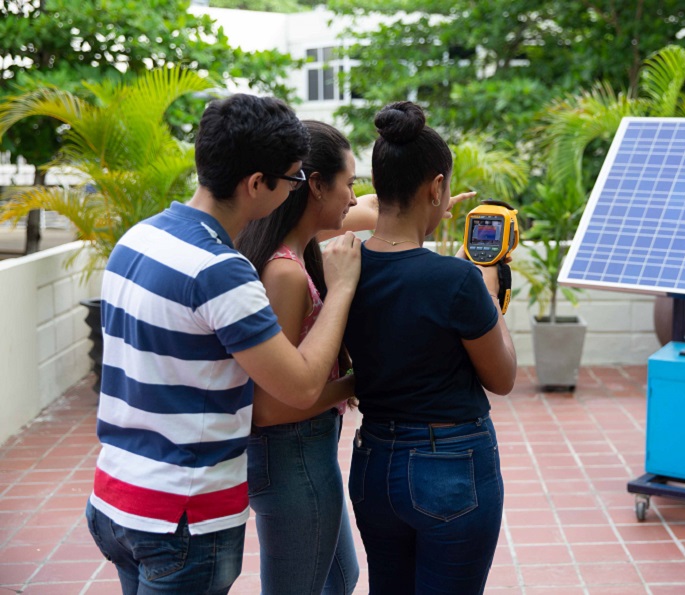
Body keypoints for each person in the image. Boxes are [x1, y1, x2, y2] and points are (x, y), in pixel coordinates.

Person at [84, 94, 362, 595]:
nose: (299, 189)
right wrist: (341, 289)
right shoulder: (221, 273)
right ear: (257, 184)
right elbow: (297, 388)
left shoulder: (139, 239)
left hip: (116, 500)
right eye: (295, 177)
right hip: (182, 518)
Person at [342, 101, 517, 594]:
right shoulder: (459, 280)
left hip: (374, 461)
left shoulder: (344, 266)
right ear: (437, 187)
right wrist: (488, 297)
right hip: (451, 467)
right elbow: (502, 379)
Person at [236, 120, 364, 595]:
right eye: (349, 183)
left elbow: (369, 210)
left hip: (308, 450)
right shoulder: (285, 273)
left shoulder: (297, 247)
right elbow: (270, 407)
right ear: (314, 185)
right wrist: (356, 383)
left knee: (340, 578)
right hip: (291, 451)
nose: (353, 198)